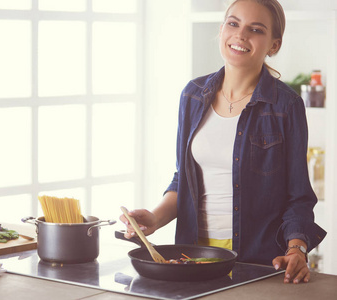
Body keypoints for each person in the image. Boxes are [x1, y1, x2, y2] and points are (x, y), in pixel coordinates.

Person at [120, 0, 326, 284]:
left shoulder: (286, 105)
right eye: (233, 23)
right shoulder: (192, 96)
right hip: (192, 258)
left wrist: (296, 248)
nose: (241, 35)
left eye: (255, 29)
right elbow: (184, 180)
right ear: (222, 30)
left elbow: (298, 195)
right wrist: (154, 219)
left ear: (274, 45)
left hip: (258, 261)